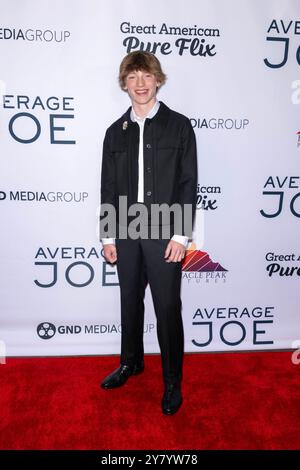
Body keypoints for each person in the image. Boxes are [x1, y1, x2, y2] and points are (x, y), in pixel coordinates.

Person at [100, 51, 197, 415]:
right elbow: (107, 186)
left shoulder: (179, 126)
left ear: (158, 79)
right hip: (125, 228)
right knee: (129, 301)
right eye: (133, 77)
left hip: (165, 227)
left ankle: (172, 382)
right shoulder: (114, 132)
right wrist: (108, 236)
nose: (140, 84)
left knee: (168, 308)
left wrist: (180, 235)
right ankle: (131, 362)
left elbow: (189, 183)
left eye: (146, 76)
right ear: (124, 83)